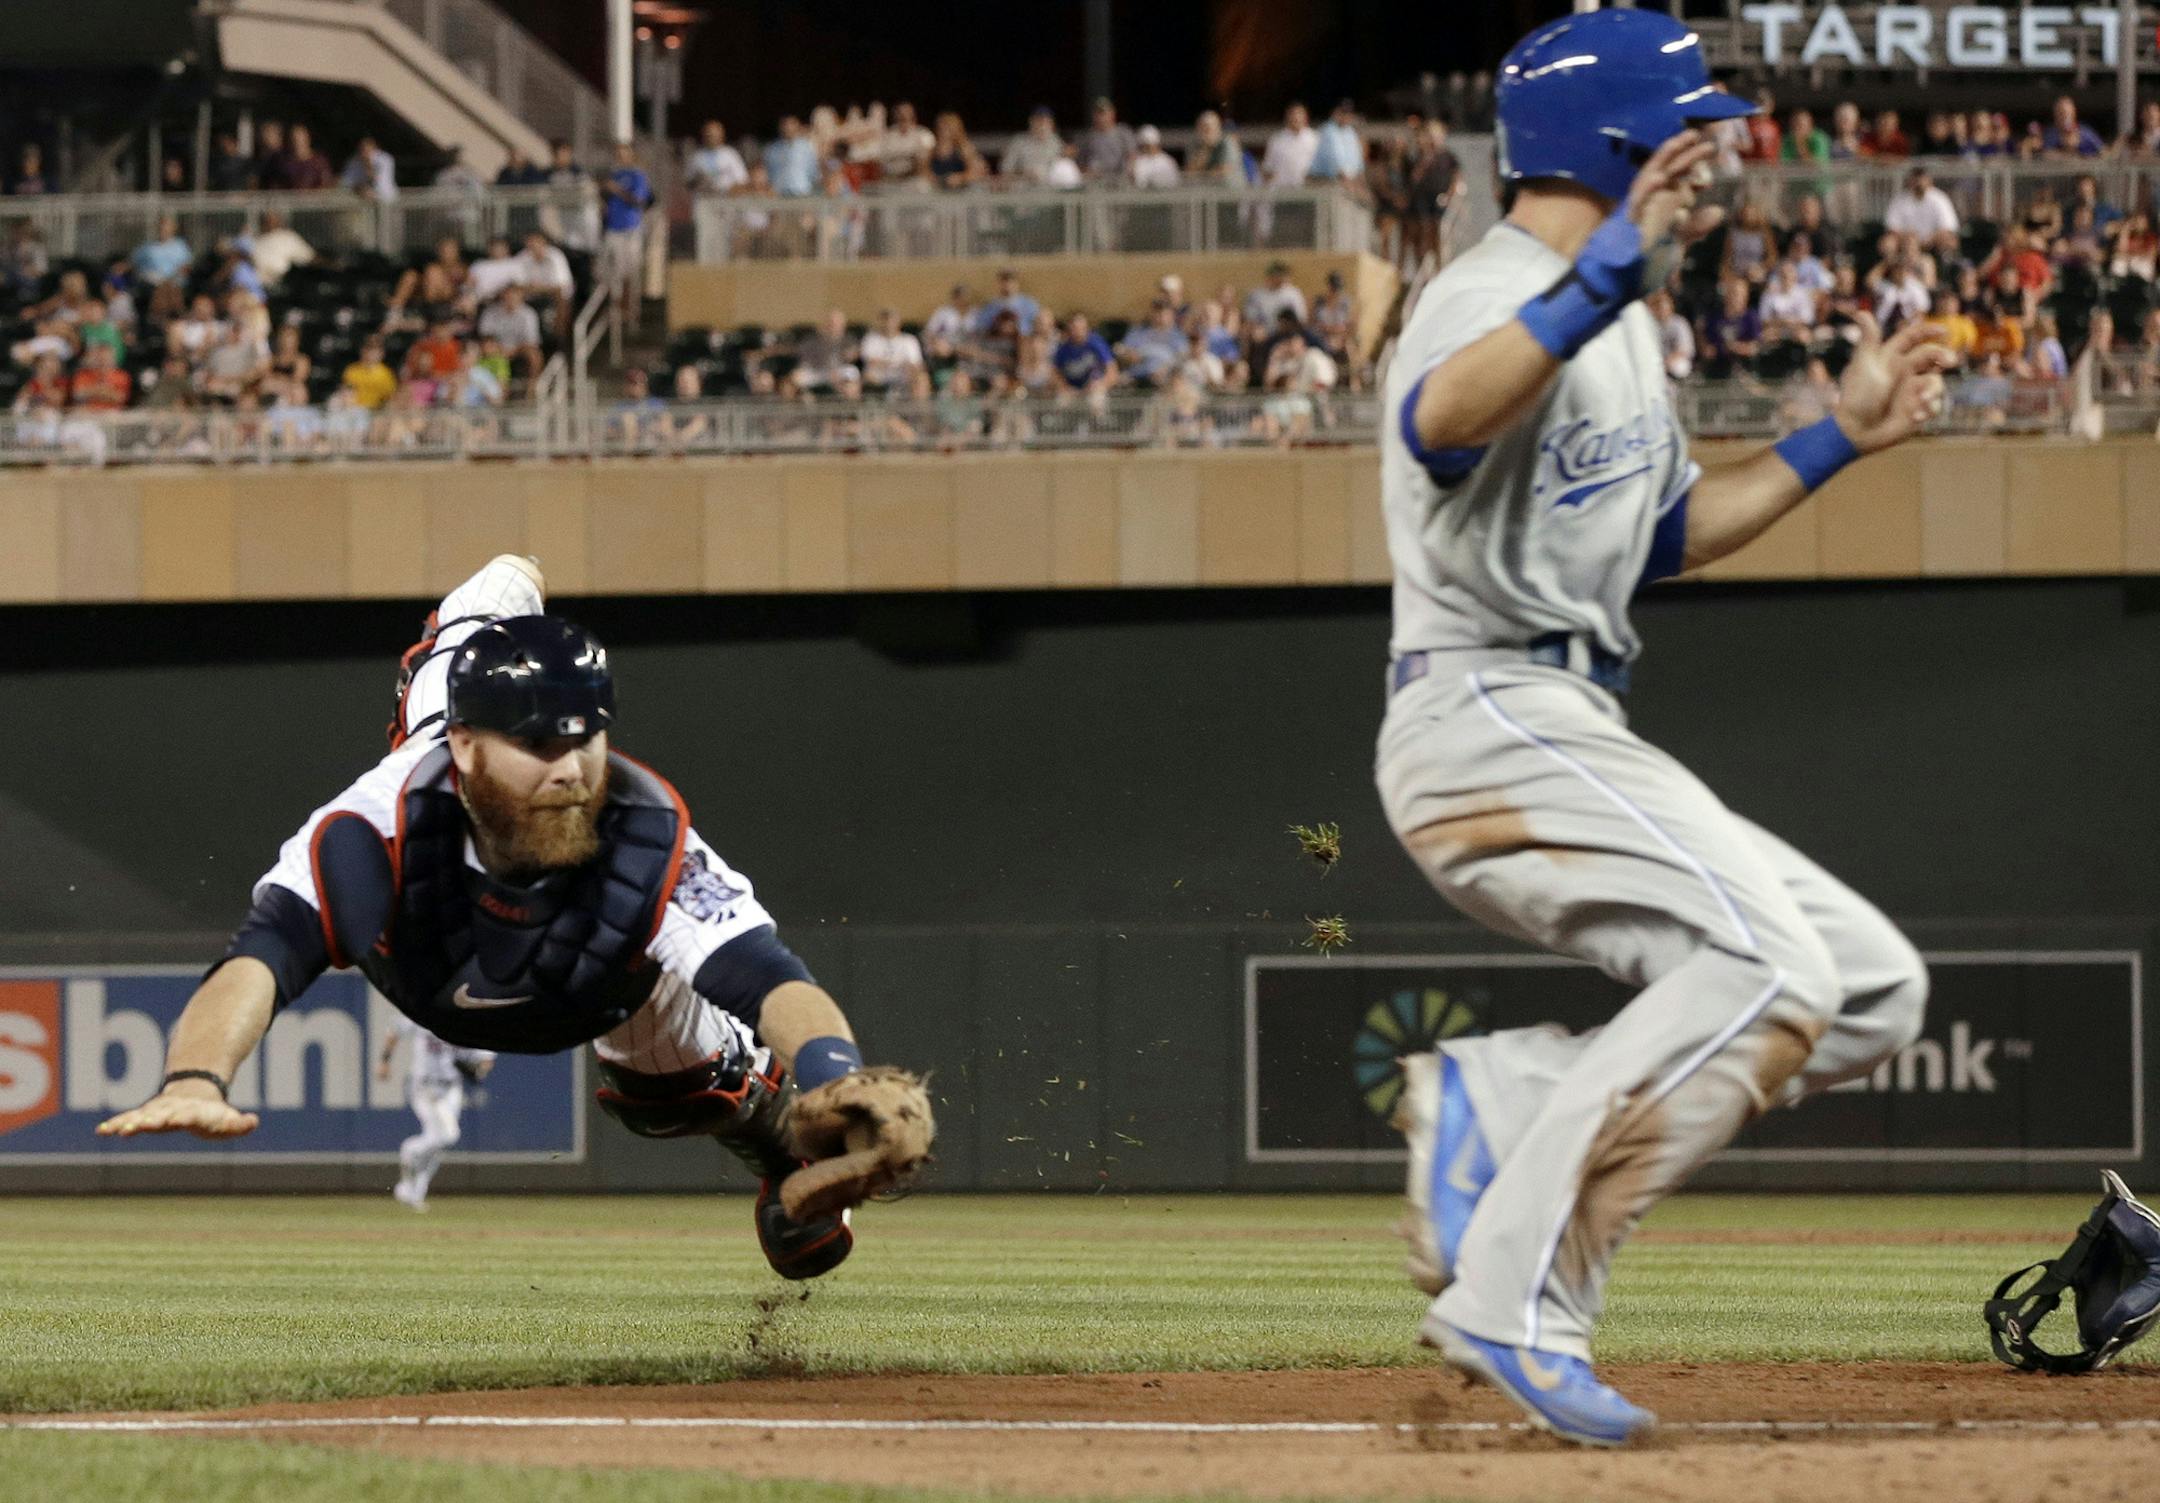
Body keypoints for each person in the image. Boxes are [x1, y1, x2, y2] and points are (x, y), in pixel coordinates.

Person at [1382, 10, 1944, 1448]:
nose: (1720, 157)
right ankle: (1518, 1298)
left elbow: (1663, 537)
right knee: (1762, 960)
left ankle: (1504, 1095)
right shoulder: (1496, 291)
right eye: (1697, 130)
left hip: (1564, 700)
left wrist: (1839, 435)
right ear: (1628, 143)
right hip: (1483, 706)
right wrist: (1595, 283)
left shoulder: (1622, 314)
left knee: (1871, 985)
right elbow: (1441, 418)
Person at [96, 557, 934, 1280]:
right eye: (538, 742)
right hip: (429, 954)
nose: (569, 767)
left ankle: (780, 1140)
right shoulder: (373, 827)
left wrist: (832, 1070)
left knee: (674, 1098)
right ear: (465, 745)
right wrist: (194, 1078)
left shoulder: (645, 837)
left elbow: (766, 973)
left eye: (585, 737)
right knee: (484, 600)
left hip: (610, 986)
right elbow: (263, 956)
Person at [376, 1018, 495, 1210]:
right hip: (424, 1086)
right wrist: (384, 1061)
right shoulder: (425, 1014)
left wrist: (476, 1069)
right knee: (448, 1136)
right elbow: (394, 1031)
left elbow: (485, 1059)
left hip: (451, 1089)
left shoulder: (466, 1024)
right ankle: (410, 1151)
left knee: (438, 1142)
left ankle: (414, 1192)